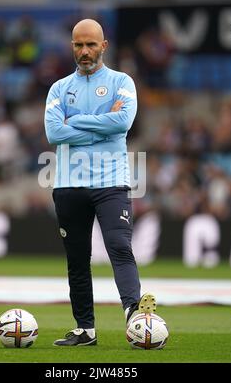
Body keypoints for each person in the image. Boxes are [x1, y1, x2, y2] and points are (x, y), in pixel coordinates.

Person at [44, 19, 156, 346]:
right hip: (68, 184)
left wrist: (74, 121)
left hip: (111, 181)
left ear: (104, 46)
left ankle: (134, 314)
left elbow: (123, 123)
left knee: (119, 247)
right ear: (72, 47)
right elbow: (54, 132)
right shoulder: (59, 88)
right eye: (79, 45)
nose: (85, 51)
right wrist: (103, 126)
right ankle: (85, 330)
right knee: (77, 259)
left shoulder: (122, 82)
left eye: (91, 44)